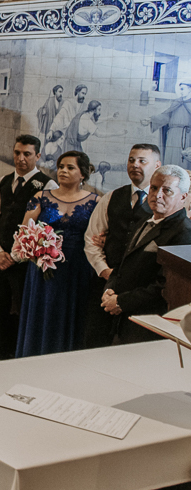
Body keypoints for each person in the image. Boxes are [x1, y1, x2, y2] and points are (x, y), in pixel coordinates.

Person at [16, 151, 99, 358]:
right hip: (43, 266)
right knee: (42, 312)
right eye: (61, 166)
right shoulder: (40, 197)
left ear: (83, 174)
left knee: (70, 314)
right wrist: (37, 246)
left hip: (77, 267)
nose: (63, 171)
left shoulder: (96, 201)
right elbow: (25, 232)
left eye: (70, 167)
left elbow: (99, 235)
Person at [0, 135, 57, 359]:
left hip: (25, 263)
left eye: (27, 154)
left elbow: (44, 229)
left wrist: (14, 257)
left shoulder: (48, 185)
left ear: (38, 156)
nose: (21, 159)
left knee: (20, 313)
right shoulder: (3, 181)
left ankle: (15, 358)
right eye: (17, 153)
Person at [83, 143, 162, 348]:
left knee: (130, 346)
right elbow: (91, 239)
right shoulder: (111, 197)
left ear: (157, 165)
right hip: (104, 282)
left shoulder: (162, 205)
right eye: (131, 160)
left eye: (142, 161)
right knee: (94, 340)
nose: (135, 165)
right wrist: (105, 271)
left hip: (139, 291)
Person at [101, 164, 191, 342]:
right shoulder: (144, 221)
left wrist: (121, 302)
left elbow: (166, 285)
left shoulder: (184, 232)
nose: (157, 195)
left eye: (167, 191)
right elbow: (123, 263)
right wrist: (109, 289)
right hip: (124, 318)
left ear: (183, 196)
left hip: (150, 323)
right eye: (154, 188)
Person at [143, 82, 191, 171]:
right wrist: (151, 119)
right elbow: (166, 116)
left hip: (186, 136)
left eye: (183, 89)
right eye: (180, 89)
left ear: (189, 89)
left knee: (183, 161)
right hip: (172, 136)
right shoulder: (177, 102)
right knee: (171, 159)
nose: (181, 91)